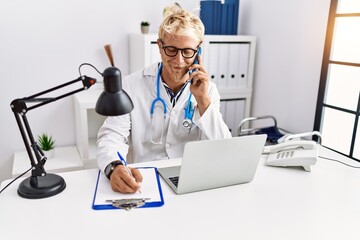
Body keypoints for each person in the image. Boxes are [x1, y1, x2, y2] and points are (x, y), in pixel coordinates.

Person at [97, 8, 232, 194]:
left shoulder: (208, 90)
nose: (179, 60)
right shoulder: (131, 85)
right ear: (160, 46)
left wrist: (202, 100)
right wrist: (113, 167)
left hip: (189, 180)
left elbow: (223, 148)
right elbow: (111, 136)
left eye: (187, 51)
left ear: (198, 49)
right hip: (145, 179)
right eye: (171, 50)